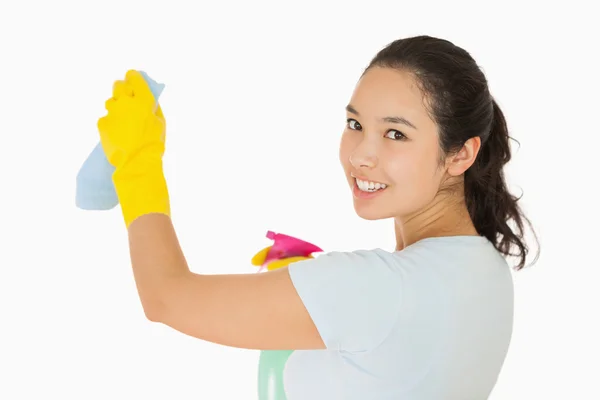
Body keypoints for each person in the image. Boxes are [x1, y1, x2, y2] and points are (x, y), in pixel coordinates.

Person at [97, 35, 539, 399]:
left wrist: (139, 165)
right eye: (354, 125)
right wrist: (311, 296)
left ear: (460, 153)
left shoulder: (376, 287)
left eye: (395, 133)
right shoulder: (487, 271)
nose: (362, 155)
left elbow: (166, 299)